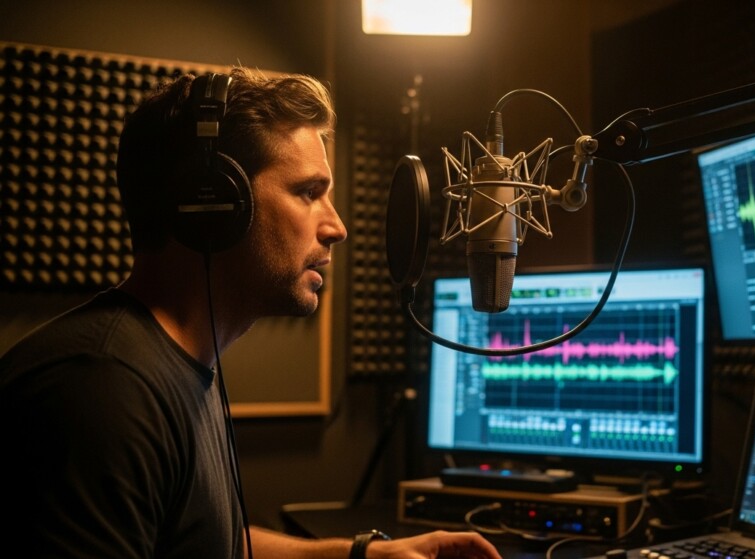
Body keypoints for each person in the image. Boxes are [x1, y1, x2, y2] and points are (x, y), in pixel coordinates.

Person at [0, 67, 501, 559]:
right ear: (216, 201)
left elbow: (204, 540)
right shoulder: (101, 392)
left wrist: (361, 554)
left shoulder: (176, 366)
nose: (337, 227)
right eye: (309, 193)